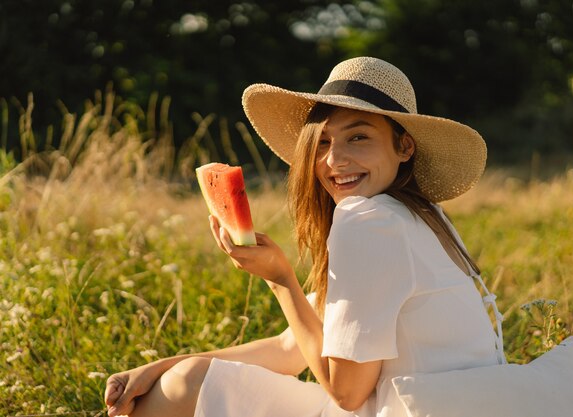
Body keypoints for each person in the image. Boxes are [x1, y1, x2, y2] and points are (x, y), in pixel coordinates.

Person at [104, 56, 504, 417]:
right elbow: (288, 348)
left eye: (358, 136)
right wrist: (158, 366)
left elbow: (347, 393)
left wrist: (281, 281)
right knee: (186, 374)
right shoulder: (423, 216)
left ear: (404, 146)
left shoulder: (368, 221)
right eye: (323, 142)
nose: (334, 160)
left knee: (187, 384)